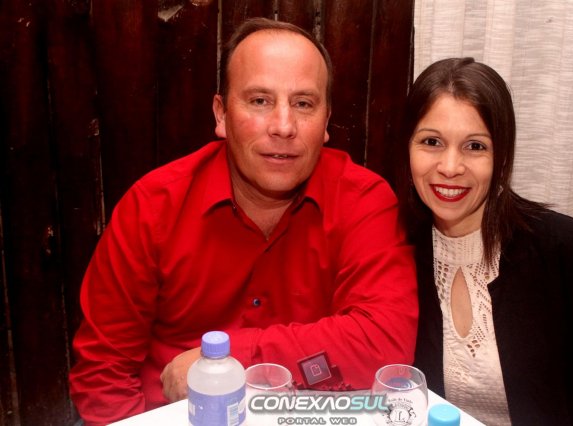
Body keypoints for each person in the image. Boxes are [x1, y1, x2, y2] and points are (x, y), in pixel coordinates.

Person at [69, 18, 418, 425]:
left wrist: (225, 359)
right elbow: (103, 373)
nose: (283, 127)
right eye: (259, 101)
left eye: (303, 104)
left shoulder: (363, 201)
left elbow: (384, 348)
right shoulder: (153, 207)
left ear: (326, 121)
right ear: (221, 114)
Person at [398, 57, 573, 425]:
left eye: (475, 146)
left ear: (502, 155)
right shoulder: (395, 248)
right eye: (431, 142)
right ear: (407, 147)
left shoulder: (565, 249)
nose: (450, 167)